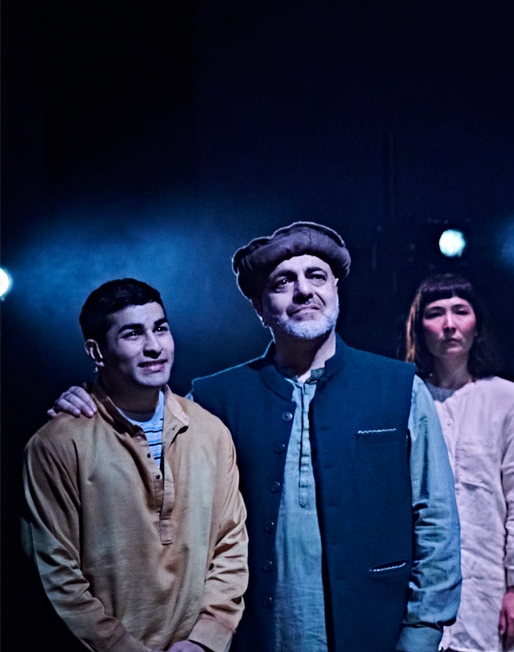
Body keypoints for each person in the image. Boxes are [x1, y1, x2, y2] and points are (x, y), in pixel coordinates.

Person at [51, 222, 462, 652]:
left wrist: (421, 633)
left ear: (337, 291)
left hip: (379, 633)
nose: (304, 291)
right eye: (283, 282)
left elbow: (435, 520)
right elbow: (143, 421)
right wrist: (91, 400)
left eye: (317, 276)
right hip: (256, 637)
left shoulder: (397, 388)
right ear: (260, 309)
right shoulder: (214, 398)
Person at [24, 278, 248, 652]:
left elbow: (230, 545)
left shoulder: (211, 433)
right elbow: (55, 572)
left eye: (161, 328)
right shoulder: (57, 444)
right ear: (96, 352)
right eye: (132, 334)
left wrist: (206, 639)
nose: (154, 346)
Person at [403, 274, 514, 652]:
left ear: (476, 325)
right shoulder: (404, 399)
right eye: (435, 313)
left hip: (489, 585)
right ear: (420, 328)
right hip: (418, 588)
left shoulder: (506, 398)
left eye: (459, 311)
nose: (449, 324)